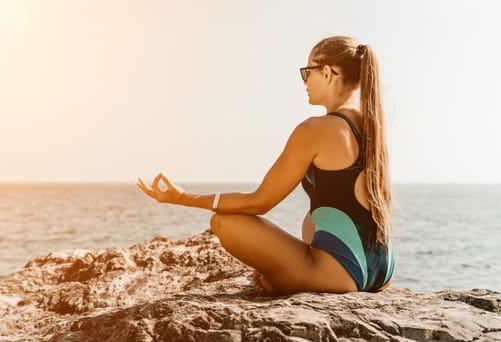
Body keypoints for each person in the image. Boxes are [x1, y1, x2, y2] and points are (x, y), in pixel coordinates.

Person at [136, 35, 394, 294]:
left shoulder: (315, 130)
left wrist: (184, 198)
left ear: (327, 73)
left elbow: (260, 201)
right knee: (312, 218)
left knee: (225, 222)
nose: (304, 81)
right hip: (383, 269)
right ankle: (297, 274)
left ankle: (289, 280)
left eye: (307, 72)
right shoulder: (371, 126)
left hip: (342, 275)